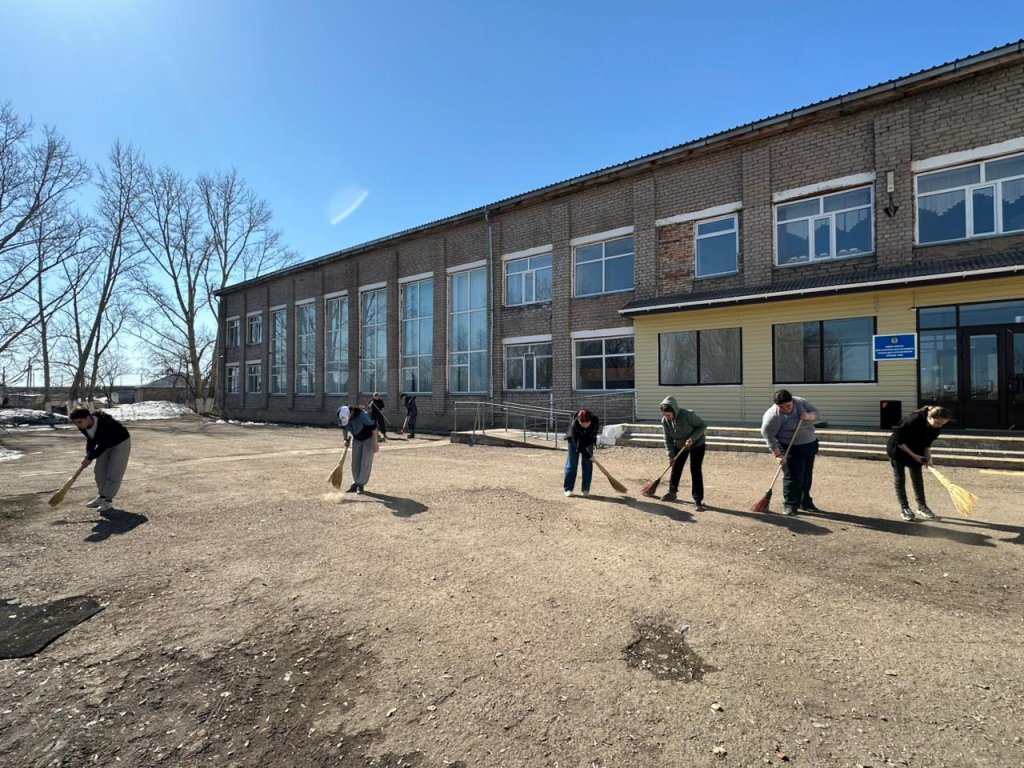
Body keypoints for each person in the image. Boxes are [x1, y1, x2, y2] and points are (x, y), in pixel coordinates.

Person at [886, 405, 954, 521]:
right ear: (930, 417)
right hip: (898, 449)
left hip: (916, 449)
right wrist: (914, 456)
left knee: (917, 478)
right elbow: (898, 440)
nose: (939, 426)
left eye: (942, 424)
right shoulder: (912, 419)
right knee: (900, 479)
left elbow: (927, 444)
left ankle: (922, 507)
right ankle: (905, 508)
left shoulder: (935, 428)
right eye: (938, 423)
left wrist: (928, 458)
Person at [760, 389, 821, 516]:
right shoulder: (772, 416)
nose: (786, 409)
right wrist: (778, 455)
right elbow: (768, 435)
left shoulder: (800, 402)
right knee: (793, 477)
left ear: (792, 400)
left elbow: (816, 413)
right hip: (789, 447)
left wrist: (809, 416)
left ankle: (805, 502)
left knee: (806, 475)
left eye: (788, 406)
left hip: (809, 444)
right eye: (782, 407)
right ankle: (790, 505)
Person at [69, 407, 131, 511]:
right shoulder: (83, 426)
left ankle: (107, 500)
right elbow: (91, 439)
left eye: (79, 422)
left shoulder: (104, 423)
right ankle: (102, 497)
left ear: (88, 418)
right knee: (99, 471)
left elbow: (104, 444)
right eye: (75, 423)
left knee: (114, 472)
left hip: (120, 443)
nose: (78, 425)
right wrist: (89, 453)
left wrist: (90, 458)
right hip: (105, 444)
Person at [658, 396, 707, 510]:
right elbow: (668, 439)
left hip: (697, 444)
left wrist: (692, 438)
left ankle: (697, 499)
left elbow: (702, 426)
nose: (666, 418)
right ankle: (672, 492)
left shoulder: (687, 415)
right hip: (680, 445)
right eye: (664, 415)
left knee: (695, 469)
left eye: (668, 415)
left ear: (674, 411)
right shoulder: (665, 421)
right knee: (676, 467)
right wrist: (670, 456)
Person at [338, 404, 380, 494]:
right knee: (355, 463)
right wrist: (345, 439)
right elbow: (344, 428)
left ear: (351, 412)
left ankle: (360, 484)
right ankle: (355, 482)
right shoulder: (342, 415)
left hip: (368, 439)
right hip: (356, 439)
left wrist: (375, 443)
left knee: (365, 462)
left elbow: (374, 429)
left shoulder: (362, 416)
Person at [563, 408, 601, 497]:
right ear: (578, 421)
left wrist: (589, 454)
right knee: (572, 463)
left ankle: (585, 489)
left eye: (587, 424)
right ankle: (568, 489)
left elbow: (592, 435)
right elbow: (578, 445)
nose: (585, 426)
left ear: (590, 420)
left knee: (587, 463)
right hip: (574, 441)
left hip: (588, 439)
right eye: (582, 424)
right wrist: (588, 454)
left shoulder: (595, 421)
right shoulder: (574, 425)